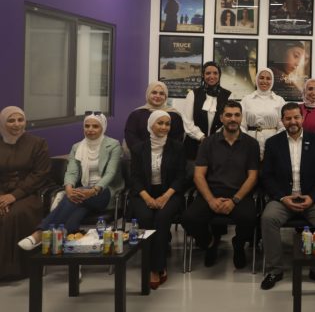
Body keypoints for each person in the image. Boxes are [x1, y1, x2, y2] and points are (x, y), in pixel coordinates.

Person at [260, 103, 315, 290]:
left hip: (311, 199)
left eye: (296, 117)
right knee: (268, 218)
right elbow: (267, 176)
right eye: (288, 118)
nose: (292, 122)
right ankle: (274, 270)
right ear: (282, 121)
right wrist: (282, 198)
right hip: (283, 199)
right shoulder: (273, 143)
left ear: (302, 118)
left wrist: (312, 197)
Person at [18, 114, 122, 249]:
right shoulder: (77, 147)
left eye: (95, 126)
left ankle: (39, 234)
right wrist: (68, 189)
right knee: (76, 208)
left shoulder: (113, 145)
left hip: (104, 192)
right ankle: (67, 241)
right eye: (87, 126)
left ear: (103, 128)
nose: (90, 129)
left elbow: (110, 173)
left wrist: (93, 190)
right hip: (83, 194)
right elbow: (71, 172)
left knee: (74, 197)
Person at [181, 101, 259, 269]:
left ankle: (238, 244)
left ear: (241, 118)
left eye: (237, 115)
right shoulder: (207, 143)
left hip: (239, 194)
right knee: (188, 219)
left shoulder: (251, 144)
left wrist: (235, 200)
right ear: (221, 118)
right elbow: (198, 175)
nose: (233, 119)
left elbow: (252, 177)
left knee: (250, 218)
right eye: (228, 115)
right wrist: (210, 200)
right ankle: (209, 243)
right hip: (211, 192)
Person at [127, 110, 186, 289]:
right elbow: (134, 178)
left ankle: (158, 267)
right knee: (145, 218)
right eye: (160, 123)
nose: (164, 127)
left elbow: (180, 177)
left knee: (161, 218)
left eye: (167, 124)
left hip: (170, 193)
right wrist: (146, 197)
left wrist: (165, 196)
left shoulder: (178, 147)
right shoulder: (139, 149)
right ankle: (150, 265)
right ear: (150, 125)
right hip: (143, 193)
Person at [0, 107, 50, 280]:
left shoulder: (38, 143)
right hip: (2, 194)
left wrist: (14, 196)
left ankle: (15, 269)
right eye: (11, 120)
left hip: (28, 193)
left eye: (20, 120)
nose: (16, 124)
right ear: (2, 123)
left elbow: (40, 174)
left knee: (14, 214)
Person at [182, 62, 231, 163]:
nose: (211, 76)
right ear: (203, 75)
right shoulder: (192, 94)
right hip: (193, 146)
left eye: (215, 73)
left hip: (219, 145)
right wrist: (202, 138)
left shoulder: (227, 95)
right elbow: (188, 122)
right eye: (208, 73)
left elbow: (228, 121)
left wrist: (214, 139)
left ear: (219, 75)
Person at [124, 81, 185, 155]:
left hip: (167, 157)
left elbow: (178, 139)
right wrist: (144, 152)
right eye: (154, 92)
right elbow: (131, 136)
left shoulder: (174, 115)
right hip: (141, 156)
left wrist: (163, 154)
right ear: (148, 94)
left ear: (165, 96)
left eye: (161, 93)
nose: (158, 96)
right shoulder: (136, 114)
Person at [240, 67, 286, 159]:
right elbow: (241, 124)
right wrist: (246, 140)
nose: (264, 81)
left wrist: (275, 141)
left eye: (268, 78)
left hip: (273, 143)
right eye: (261, 78)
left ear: (272, 81)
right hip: (250, 143)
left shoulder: (279, 101)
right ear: (257, 79)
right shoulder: (246, 100)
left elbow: (283, 126)